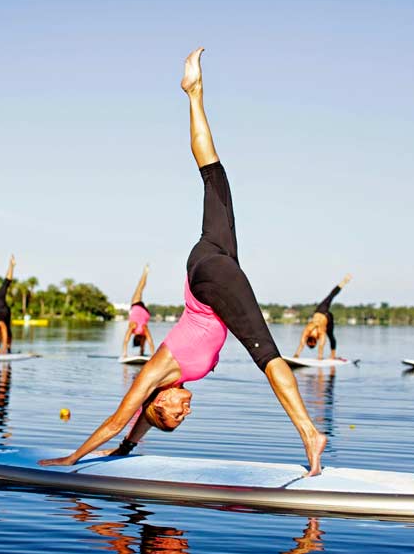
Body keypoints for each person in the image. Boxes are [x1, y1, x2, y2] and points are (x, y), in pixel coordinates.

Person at [39, 48, 326, 475]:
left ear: (158, 400)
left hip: (211, 275)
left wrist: (72, 459)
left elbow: (121, 418)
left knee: (267, 355)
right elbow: (136, 425)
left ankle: (309, 433)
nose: (185, 411)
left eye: (174, 414)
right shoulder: (170, 382)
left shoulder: (155, 374)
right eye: (180, 417)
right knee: (215, 175)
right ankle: (194, 94)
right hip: (211, 262)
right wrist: (124, 451)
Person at [293, 275, 352, 360]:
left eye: (310, 342)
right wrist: (320, 356)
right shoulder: (321, 333)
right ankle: (333, 355)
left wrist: (297, 354)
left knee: (330, 296)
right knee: (331, 336)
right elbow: (321, 345)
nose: (311, 341)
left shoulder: (307, 330)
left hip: (320, 311)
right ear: (315, 341)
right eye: (313, 343)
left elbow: (302, 343)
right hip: (328, 318)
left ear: (308, 340)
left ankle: (344, 281)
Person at [121, 264, 156, 358]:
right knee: (140, 288)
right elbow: (150, 341)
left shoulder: (137, 327)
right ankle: (145, 272)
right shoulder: (137, 327)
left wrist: (124, 354)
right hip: (137, 307)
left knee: (140, 288)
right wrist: (153, 355)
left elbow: (126, 340)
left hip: (145, 312)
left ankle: (145, 272)